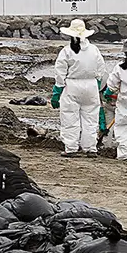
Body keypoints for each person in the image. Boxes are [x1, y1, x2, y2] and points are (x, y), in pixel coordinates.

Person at [52, 18, 107, 158]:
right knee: (90, 119)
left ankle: (71, 148)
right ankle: (90, 148)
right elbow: (102, 71)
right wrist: (98, 86)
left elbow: (60, 73)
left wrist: (57, 92)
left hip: (72, 85)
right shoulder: (94, 50)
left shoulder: (66, 51)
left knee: (70, 118)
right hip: (91, 86)